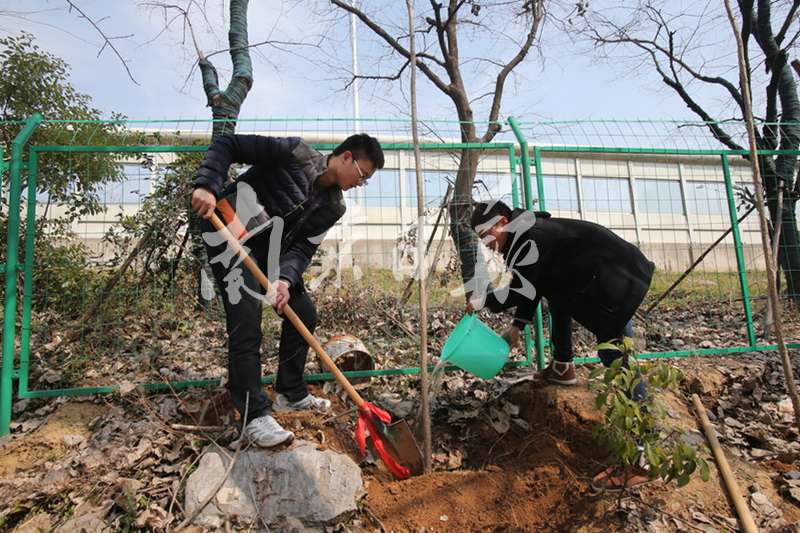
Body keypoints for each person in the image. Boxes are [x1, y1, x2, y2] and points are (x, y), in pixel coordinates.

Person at [191, 133, 384, 448]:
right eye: (361, 175)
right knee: (246, 317)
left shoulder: (334, 206)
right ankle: (253, 417)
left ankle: (290, 394)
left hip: (270, 253)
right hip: (229, 228)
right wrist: (207, 185)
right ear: (346, 157)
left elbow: (303, 249)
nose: (359, 183)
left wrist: (284, 280)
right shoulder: (295, 153)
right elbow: (228, 144)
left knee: (303, 312)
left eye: (366, 181)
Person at [467, 199, 655, 490]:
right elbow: (536, 283)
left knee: (617, 361)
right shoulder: (523, 235)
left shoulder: (533, 236)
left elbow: (520, 288)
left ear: (501, 223)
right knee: (558, 293)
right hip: (599, 275)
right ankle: (563, 367)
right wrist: (518, 326)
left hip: (617, 279)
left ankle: (644, 461)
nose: (488, 245)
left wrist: (482, 300)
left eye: (487, 237)